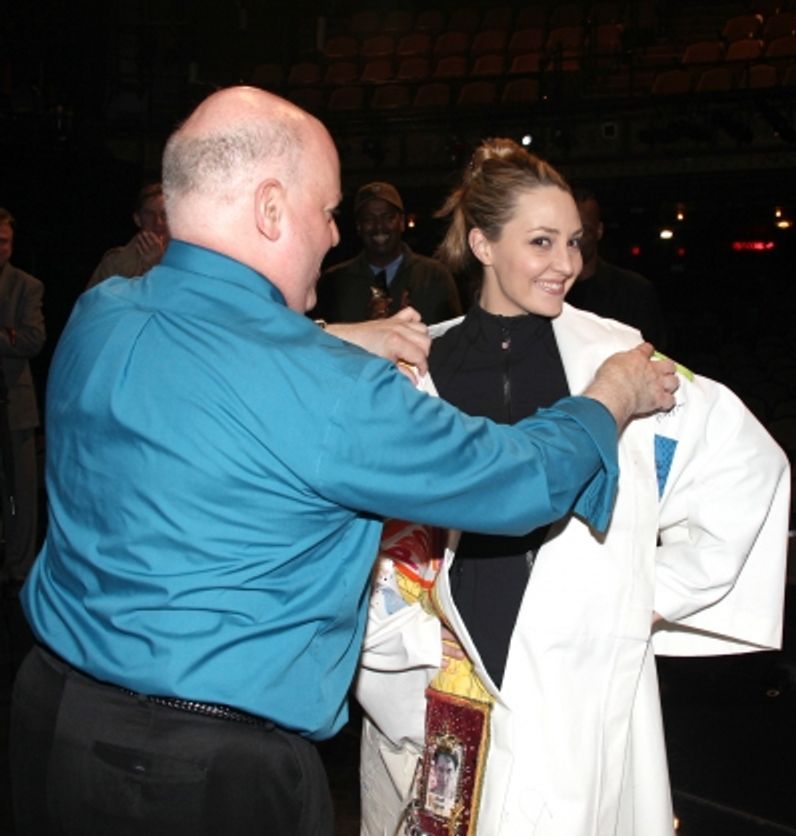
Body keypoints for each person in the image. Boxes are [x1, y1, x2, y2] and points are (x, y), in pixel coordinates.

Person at [11, 86, 678, 836]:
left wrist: (333, 333)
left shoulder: (100, 312)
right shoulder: (329, 391)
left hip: (46, 722)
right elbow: (517, 479)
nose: (335, 238)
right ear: (270, 210)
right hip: (201, 778)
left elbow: (216, 354)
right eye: (326, 211)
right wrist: (609, 397)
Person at [355, 138, 789, 836]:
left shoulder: (617, 356)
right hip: (439, 688)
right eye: (543, 241)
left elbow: (747, 467)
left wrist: (647, 595)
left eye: (575, 243)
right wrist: (409, 642)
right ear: (483, 245)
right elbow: (360, 527)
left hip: (575, 694)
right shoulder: (412, 367)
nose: (568, 264)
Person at [315, 180, 462, 324]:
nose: (379, 226)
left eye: (388, 217)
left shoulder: (434, 276)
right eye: (369, 219)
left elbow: (457, 339)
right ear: (359, 227)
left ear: (402, 222)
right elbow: (318, 341)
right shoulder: (333, 282)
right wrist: (366, 329)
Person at [0, 208, 46, 586]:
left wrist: (13, 337)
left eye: (4, 241)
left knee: (22, 497)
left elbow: (32, 340)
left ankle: (20, 575)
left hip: (15, 407)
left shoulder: (26, 285)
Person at [565, 186, 668, 348]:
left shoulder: (634, 292)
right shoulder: (547, 293)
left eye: (584, 230)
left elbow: (656, 357)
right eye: (567, 230)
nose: (575, 239)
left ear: (599, 231)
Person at [85, 182, 170, 289]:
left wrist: (157, 266)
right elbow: (93, 303)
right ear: (138, 219)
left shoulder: (189, 262)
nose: (158, 222)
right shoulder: (113, 263)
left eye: (165, 214)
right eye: (149, 214)